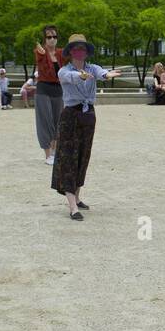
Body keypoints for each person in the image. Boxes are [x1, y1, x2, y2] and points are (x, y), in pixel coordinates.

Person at [52, 34, 122, 220]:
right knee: (68, 157)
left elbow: (101, 73)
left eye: (82, 48)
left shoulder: (93, 67)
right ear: (70, 52)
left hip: (88, 115)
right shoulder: (64, 71)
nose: (80, 52)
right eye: (76, 48)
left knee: (83, 155)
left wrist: (107, 75)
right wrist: (80, 75)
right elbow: (72, 77)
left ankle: (77, 196)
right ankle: (72, 207)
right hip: (70, 116)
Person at [34, 26, 66, 163]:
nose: (52, 39)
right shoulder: (40, 51)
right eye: (49, 37)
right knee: (45, 121)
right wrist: (42, 53)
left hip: (58, 90)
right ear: (45, 39)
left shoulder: (62, 53)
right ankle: (48, 154)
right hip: (43, 89)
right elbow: (41, 60)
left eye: (54, 36)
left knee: (58, 121)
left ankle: (54, 151)